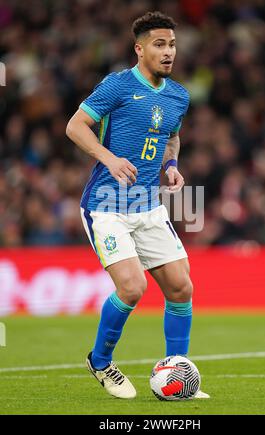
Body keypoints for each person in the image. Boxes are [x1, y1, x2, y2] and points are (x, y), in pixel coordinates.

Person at [66, 11, 209, 400]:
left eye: (173, 45)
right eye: (160, 45)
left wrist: (173, 165)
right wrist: (108, 158)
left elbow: (171, 137)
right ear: (140, 48)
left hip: (148, 206)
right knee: (132, 287)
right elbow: (75, 126)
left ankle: (178, 374)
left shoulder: (179, 95)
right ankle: (100, 361)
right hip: (107, 204)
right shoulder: (116, 86)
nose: (168, 52)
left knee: (181, 287)